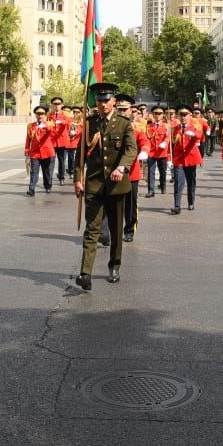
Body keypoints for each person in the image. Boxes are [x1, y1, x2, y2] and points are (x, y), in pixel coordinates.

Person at [74, 82, 138, 291]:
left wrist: (122, 168)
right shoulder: (89, 123)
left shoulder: (124, 123)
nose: (101, 104)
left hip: (116, 185)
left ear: (113, 101)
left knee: (116, 229)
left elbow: (130, 149)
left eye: (105, 100)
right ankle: (85, 273)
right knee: (92, 229)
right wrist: (77, 178)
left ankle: (114, 266)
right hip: (93, 184)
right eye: (98, 101)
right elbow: (80, 154)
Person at [116, 94, 150, 242]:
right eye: (120, 109)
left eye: (125, 109)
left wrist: (144, 152)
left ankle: (129, 230)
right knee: (111, 203)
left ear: (131, 110)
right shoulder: (109, 126)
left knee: (130, 204)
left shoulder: (136, 128)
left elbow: (145, 142)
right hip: (112, 170)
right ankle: (108, 231)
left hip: (131, 171)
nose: (122, 112)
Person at [170, 105, 204, 213]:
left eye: (185, 115)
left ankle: (191, 202)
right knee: (178, 182)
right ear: (178, 116)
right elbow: (172, 144)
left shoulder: (195, 126)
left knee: (191, 182)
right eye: (181, 115)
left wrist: (193, 135)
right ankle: (177, 205)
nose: (183, 117)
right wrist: (169, 158)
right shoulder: (175, 129)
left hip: (191, 158)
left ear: (190, 115)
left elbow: (199, 135)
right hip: (179, 159)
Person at [24, 106, 55, 196]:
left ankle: (48, 186)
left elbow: (51, 130)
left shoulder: (49, 124)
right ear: (35, 115)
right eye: (38, 114)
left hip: (47, 152)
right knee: (34, 171)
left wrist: (44, 126)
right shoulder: (31, 126)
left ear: (45, 115)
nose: (40, 116)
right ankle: (31, 189)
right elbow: (28, 140)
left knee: (46, 172)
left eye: (42, 114)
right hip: (35, 152)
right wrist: (27, 153)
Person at [145, 106, 170, 197]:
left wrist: (165, 143)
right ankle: (151, 191)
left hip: (162, 152)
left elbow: (168, 137)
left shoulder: (166, 126)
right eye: (155, 113)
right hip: (151, 152)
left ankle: (163, 186)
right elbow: (146, 138)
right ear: (153, 115)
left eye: (159, 113)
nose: (157, 115)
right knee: (150, 172)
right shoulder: (149, 126)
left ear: (163, 115)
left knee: (162, 171)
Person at [47, 97, 70, 185]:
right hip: (52, 141)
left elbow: (68, 121)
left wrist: (61, 121)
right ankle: (49, 180)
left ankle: (61, 177)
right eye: (55, 104)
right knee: (51, 161)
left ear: (62, 105)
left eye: (59, 103)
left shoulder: (66, 114)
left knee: (62, 161)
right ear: (52, 105)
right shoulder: (49, 115)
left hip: (62, 140)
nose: (57, 105)